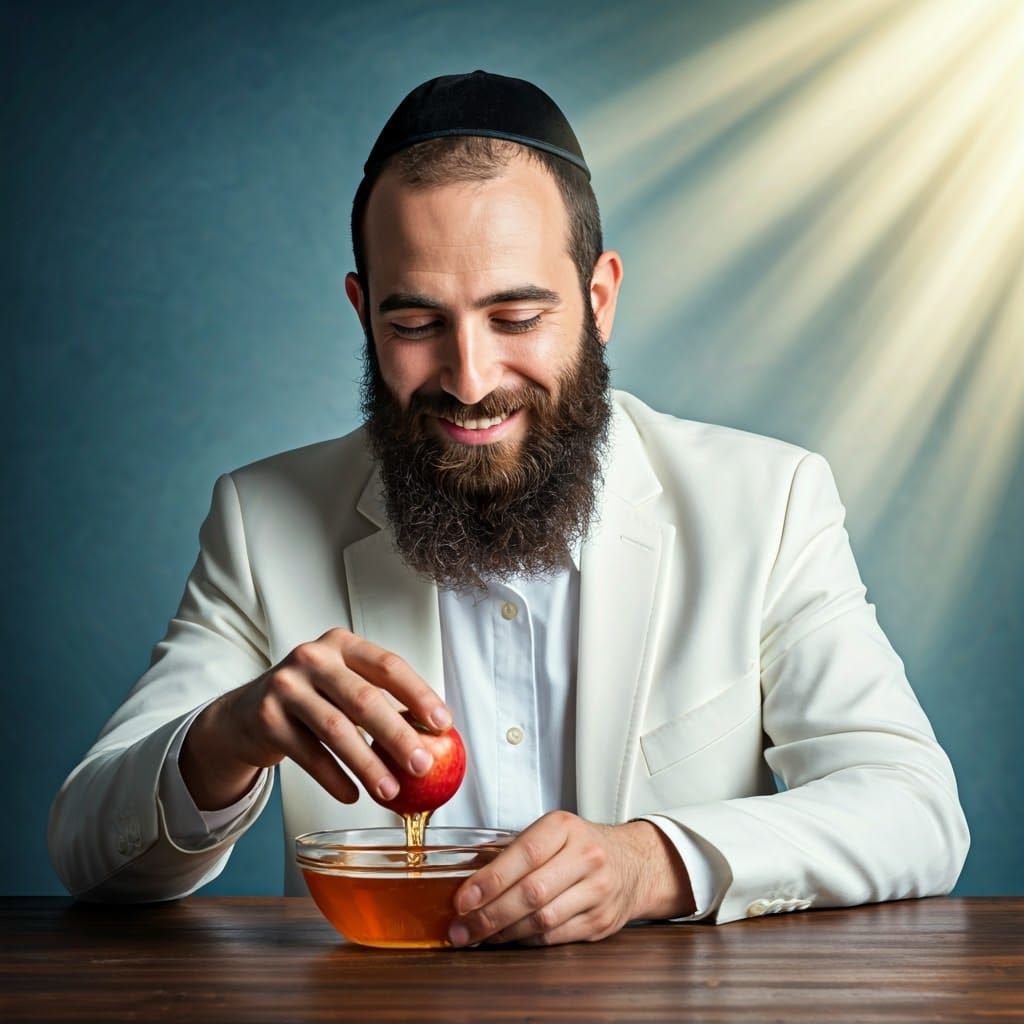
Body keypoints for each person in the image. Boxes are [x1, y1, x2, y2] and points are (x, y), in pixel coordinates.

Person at [48, 70, 969, 945]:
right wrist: (227, 736)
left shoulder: (766, 503)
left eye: (517, 318)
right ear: (363, 312)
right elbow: (89, 854)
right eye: (415, 325)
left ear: (599, 299)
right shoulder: (262, 518)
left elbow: (913, 809)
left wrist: (650, 863)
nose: (471, 379)